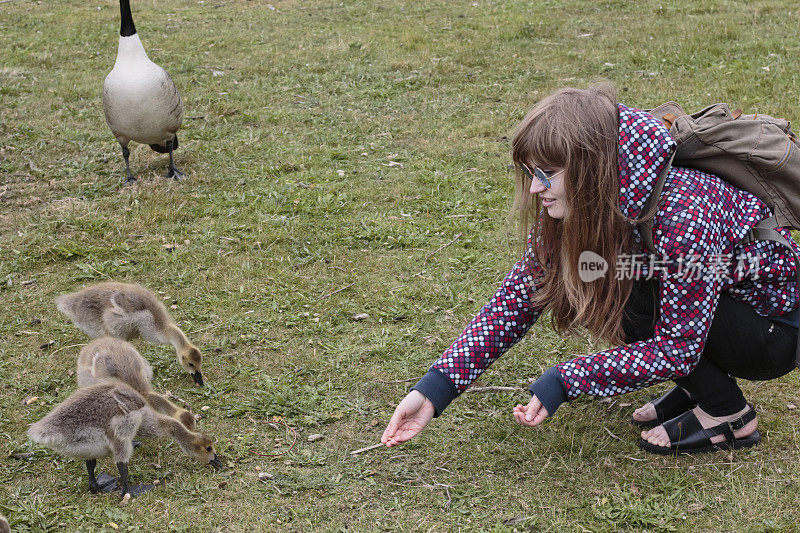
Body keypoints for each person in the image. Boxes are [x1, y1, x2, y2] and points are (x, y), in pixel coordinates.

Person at [381, 84, 800, 454]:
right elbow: (519, 297)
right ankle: (700, 389)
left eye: (546, 174)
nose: (534, 187)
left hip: (771, 329)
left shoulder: (679, 212)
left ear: (590, 167)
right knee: (614, 276)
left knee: (624, 289)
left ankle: (728, 415)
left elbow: (678, 348)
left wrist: (567, 379)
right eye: (530, 172)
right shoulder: (593, 199)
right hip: (714, 301)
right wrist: (435, 389)